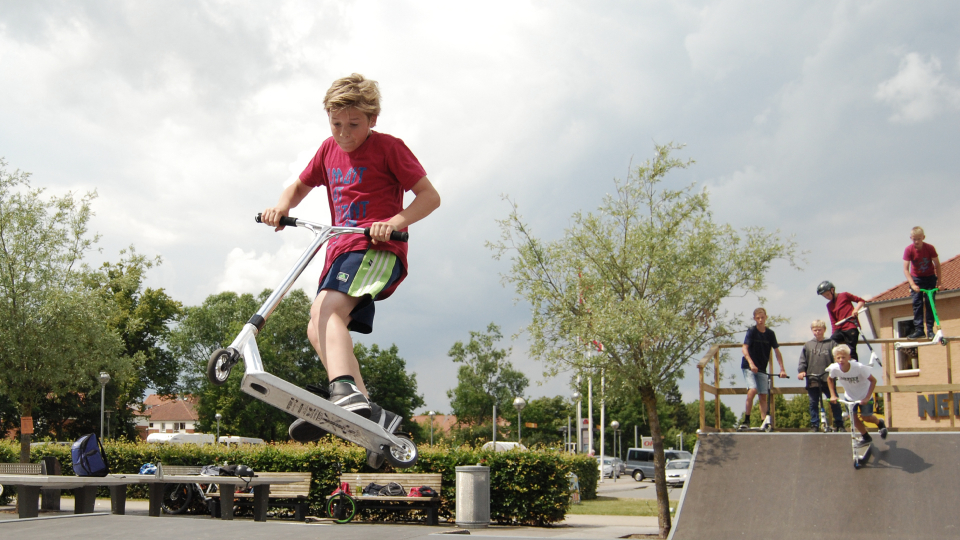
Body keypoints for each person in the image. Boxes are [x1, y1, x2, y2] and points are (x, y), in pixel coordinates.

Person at [260, 74, 441, 442]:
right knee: (317, 326)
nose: (344, 133)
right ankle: (369, 413)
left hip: (376, 248)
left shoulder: (389, 148)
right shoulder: (328, 150)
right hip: (339, 251)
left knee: (326, 311)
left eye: (354, 124)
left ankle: (343, 392)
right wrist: (281, 206)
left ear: (372, 119)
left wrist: (393, 222)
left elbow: (429, 196)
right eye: (336, 124)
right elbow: (299, 186)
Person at [827, 344, 887, 446]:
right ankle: (866, 437)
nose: (841, 360)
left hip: (864, 395)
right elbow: (830, 379)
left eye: (843, 357)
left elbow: (873, 381)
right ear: (835, 359)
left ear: (849, 357)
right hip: (850, 397)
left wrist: (867, 398)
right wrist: (833, 395)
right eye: (838, 358)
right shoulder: (834, 368)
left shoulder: (859, 367)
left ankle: (879, 423)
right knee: (853, 419)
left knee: (866, 417)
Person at [739, 307, 787, 428]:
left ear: (766, 317)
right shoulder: (752, 331)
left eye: (762, 317)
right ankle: (747, 419)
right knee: (752, 389)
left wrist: (782, 369)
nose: (760, 320)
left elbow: (777, 351)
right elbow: (744, 348)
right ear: (755, 319)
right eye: (758, 318)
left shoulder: (770, 334)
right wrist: (751, 363)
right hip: (749, 366)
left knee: (763, 394)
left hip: (762, 367)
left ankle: (764, 421)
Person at [797, 320, 844, 432]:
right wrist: (802, 371)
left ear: (824, 330)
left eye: (819, 330)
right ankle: (815, 424)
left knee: (834, 401)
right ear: (812, 331)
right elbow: (803, 360)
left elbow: (837, 358)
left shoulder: (831, 344)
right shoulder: (808, 345)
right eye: (815, 330)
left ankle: (839, 424)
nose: (817, 332)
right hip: (813, 378)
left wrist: (837, 370)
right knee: (813, 403)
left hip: (828, 378)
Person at [902, 226, 941, 338]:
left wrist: (939, 282)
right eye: (914, 239)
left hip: (930, 278)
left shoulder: (930, 248)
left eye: (919, 239)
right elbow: (905, 269)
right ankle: (919, 330)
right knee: (917, 304)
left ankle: (930, 330)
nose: (916, 241)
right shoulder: (909, 250)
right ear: (911, 238)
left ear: (923, 237)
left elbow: (937, 265)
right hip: (917, 279)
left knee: (930, 303)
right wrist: (912, 284)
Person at [816, 280, 865, 361]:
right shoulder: (829, 305)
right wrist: (834, 333)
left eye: (827, 294)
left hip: (851, 326)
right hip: (840, 330)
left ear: (832, 290)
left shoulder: (844, 295)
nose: (827, 297)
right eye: (824, 296)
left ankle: (855, 366)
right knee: (831, 344)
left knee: (851, 350)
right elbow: (833, 322)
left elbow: (861, 301)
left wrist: (856, 309)